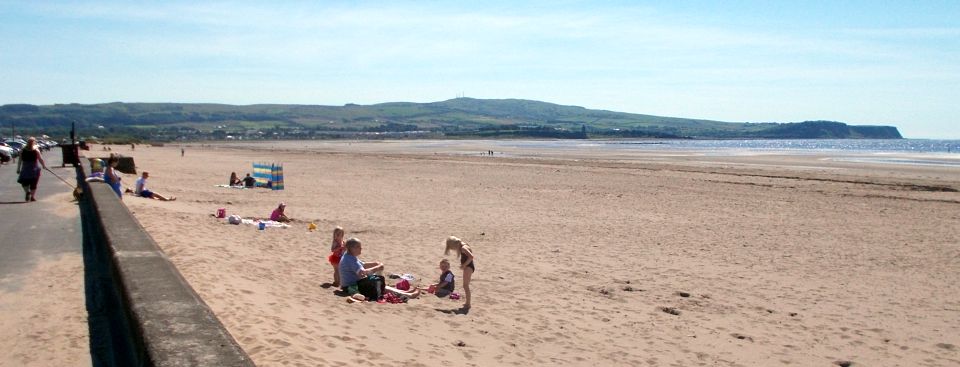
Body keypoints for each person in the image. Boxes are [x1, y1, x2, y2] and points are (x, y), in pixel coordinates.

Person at [445, 236, 475, 308]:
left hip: (469, 267)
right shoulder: (463, 245)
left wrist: (464, 265)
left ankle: (468, 304)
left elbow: (471, 257)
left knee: (465, 285)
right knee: (465, 285)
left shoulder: (463, 248)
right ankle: (467, 303)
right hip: (468, 267)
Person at [16, 137, 47, 202]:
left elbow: (20, 160)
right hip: (34, 169)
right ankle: (32, 197)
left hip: (25, 168)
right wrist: (43, 166)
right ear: (34, 143)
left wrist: (18, 169)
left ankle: (27, 192)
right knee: (34, 183)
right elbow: (40, 159)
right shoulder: (36, 150)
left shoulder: (23, 150)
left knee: (24, 182)